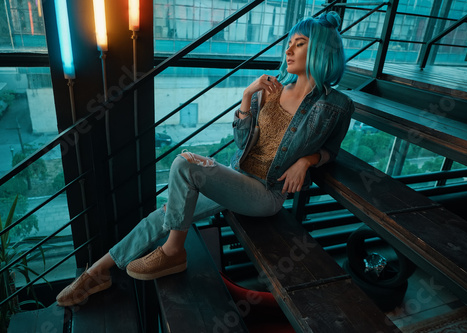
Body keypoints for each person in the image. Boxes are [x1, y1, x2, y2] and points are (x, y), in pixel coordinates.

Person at [56, 11, 354, 307]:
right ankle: (98, 272)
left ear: (320, 49)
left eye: (299, 43)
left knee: (185, 164)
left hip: (266, 194)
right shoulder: (271, 91)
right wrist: (248, 96)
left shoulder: (336, 105)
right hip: (237, 177)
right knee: (161, 215)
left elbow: (333, 151)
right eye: (289, 43)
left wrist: (307, 160)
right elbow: (242, 141)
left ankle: (173, 252)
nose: (288, 50)